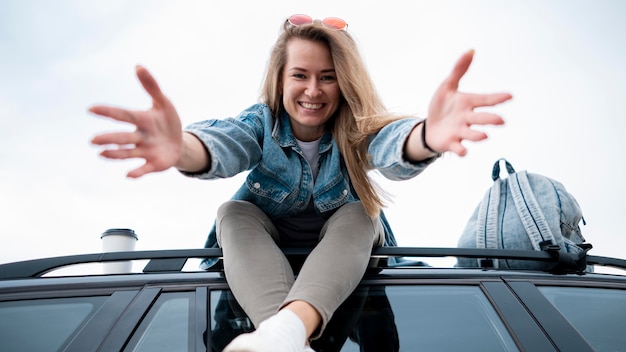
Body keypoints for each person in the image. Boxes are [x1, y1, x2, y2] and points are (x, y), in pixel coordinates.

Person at [89, 14, 512, 352]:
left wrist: (426, 138)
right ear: (280, 80)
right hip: (261, 251)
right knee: (233, 212)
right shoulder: (262, 123)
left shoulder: (355, 128)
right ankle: (283, 337)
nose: (313, 89)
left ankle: (286, 332)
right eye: (300, 75)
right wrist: (181, 148)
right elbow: (225, 142)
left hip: (344, 247)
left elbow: (391, 145)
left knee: (361, 212)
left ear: (343, 82)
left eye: (328, 76)